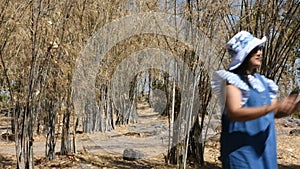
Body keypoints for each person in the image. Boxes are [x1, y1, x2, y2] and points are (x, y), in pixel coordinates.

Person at [211, 30, 299, 169]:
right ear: (243, 55)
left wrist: (292, 106)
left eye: (259, 48)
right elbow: (234, 112)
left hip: (264, 155)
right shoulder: (232, 81)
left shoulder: (263, 83)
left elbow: (274, 112)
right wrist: (271, 107)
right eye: (254, 49)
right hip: (242, 157)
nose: (259, 52)